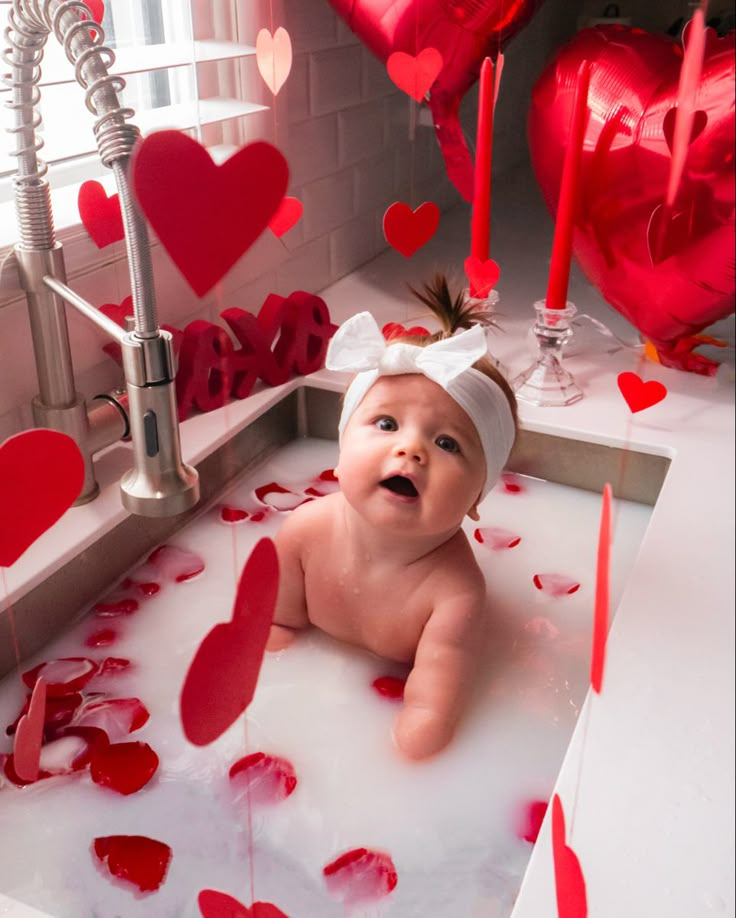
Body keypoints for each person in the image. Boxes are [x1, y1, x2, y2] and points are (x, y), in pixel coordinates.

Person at [268, 279, 518, 760]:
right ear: (341, 450)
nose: (411, 449)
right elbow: (277, 616)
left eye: (448, 443)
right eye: (386, 424)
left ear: (476, 496)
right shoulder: (304, 531)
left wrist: (424, 722)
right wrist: (276, 643)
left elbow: (437, 686)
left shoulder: (455, 592)